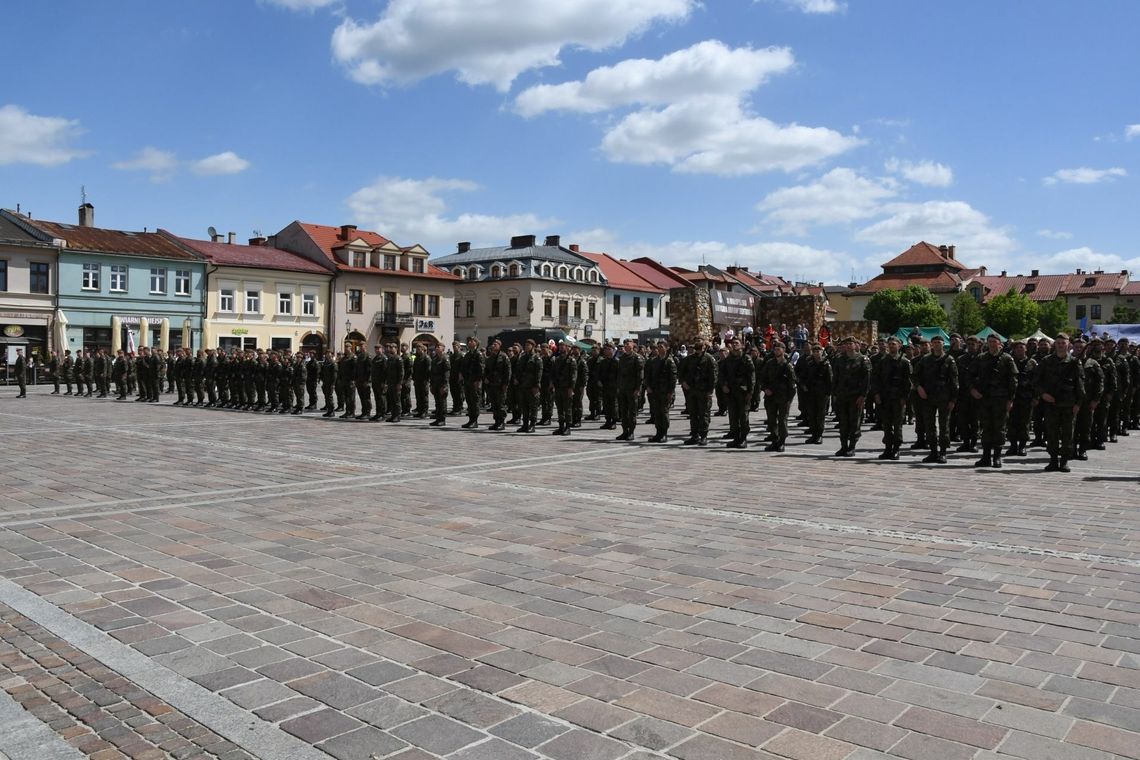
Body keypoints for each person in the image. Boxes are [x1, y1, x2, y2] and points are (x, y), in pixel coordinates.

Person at [1037, 333, 1085, 472]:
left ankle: (1064, 461)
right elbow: (1036, 381)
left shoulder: (1075, 362)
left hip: (1068, 404)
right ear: (1054, 345)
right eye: (1058, 343)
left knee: (1067, 434)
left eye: (1063, 343)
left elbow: (1080, 385)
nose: (1060, 345)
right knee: (1051, 433)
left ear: (1068, 345)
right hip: (1051, 404)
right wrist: (1043, 394)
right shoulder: (1046, 361)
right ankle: (1053, 460)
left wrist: (1078, 404)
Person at [970, 334, 1017, 468]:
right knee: (986, 428)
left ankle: (997, 457)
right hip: (984, 399)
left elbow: (1013, 381)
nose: (991, 344)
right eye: (989, 341)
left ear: (999, 343)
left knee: (999, 428)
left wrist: (1010, 399)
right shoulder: (981, 358)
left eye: (994, 342)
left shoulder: (1007, 359)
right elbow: (969, 375)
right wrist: (973, 390)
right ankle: (985, 457)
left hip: (1000, 400)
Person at [914, 335, 958, 464]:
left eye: (939, 342)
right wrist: (919, 388)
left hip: (944, 397)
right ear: (931, 345)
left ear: (943, 344)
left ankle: (943, 452)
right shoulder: (925, 360)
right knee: (929, 426)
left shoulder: (949, 360)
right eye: (934, 342)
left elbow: (955, 381)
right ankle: (933, 452)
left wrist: (953, 399)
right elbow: (915, 376)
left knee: (944, 426)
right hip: (928, 397)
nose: (937, 344)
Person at [832, 336, 870, 457]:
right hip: (842, 395)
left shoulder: (863, 359)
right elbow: (836, 378)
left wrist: (863, 395)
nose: (848, 346)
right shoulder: (839, 359)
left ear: (856, 345)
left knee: (854, 422)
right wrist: (835, 393)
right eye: (846, 344)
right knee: (843, 422)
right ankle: (843, 446)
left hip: (856, 396)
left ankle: (852, 446)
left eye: (851, 343)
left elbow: (867, 380)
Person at [759, 341, 797, 452]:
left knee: (782, 420)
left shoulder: (788, 366)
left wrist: (789, 400)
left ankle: (782, 442)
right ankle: (774, 440)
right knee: (771, 420)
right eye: (775, 349)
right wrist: (765, 389)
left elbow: (792, 385)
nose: (776, 351)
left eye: (779, 349)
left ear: (783, 350)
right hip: (770, 397)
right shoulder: (770, 363)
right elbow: (762, 378)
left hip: (783, 398)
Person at [682, 339, 717, 446]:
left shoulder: (709, 359)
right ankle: (694, 435)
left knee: (704, 414)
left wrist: (711, 390)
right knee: (693, 414)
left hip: (704, 391)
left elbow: (714, 375)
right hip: (692, 390)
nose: (697, 351)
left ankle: (703, 436)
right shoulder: (690, 359)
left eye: (699, 349)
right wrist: (684, 382)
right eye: (695, 349)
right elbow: (682, 371)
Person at [719, 338, 753, 448]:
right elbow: (722, 374)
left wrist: (750, 392)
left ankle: (743, 439)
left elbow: (752, 377)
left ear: (741, 345)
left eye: (737, 343)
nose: (734, 345)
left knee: (743, 416)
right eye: (733, 343)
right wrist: (723, 385)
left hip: (742, 392)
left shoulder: (746, 359)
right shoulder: (728, 360)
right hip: (731, 391)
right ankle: (736, 438)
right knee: (733, 416)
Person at [798, 343, 833, 445]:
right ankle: (813, 434)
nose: (816, 353)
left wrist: (828, 393)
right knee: (812, 414)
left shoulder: (826, 364)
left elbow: (830, 380)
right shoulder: (809, 363)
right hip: (810, 392)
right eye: (815, 351)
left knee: (820, 415)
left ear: (822, 352)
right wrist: (803, 385)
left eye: (818, 351)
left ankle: (819, 435)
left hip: (822, 393)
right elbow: (802, 376)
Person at [615, 339, 645, 441]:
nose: (626, 346)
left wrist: (637, 389)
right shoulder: (622, 358)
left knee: (631, 411)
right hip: (623, 388)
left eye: (628, 344)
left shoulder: (637, 358)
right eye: (625, 344)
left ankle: (631, 432)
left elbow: (640, 375)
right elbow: (619, 374)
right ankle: (625, 431)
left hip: (632, 389)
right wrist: (618, 386)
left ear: (633, 345)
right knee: (623, 411)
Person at [514, 339, 542, 433]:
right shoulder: (523, 357)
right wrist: (517, 379)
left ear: (533, 346)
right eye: (525, 345)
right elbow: (518, 370)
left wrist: (536, 386)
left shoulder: (536, 358)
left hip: (532, 386)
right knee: (524, 406)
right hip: (523, 385)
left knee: (533, 406)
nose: (526, 346)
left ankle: (532, 425)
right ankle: (525, 424)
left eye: (528, 345)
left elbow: (538, 373)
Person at [550, 342, 578, 435]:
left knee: (567, 408)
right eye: (560, 346)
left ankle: (568, 427)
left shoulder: (571, 360)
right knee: (560, 408)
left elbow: (573, 376)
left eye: (563, 346)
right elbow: (553, 373)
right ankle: (561, 427)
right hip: (558, 387)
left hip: (567, 388)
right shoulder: (557, 360)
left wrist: (571, 388)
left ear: (567, 348)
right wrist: (552, 384)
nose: (561, 348)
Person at [485, 339, 511, 431]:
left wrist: (505, 384)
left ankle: (501, 422)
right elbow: (486, 370)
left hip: (500, 385)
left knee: (500, 404)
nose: (494, 345)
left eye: (496, 344)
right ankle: (496, 422)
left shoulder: (504, 357)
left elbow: (508, 372)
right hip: (492, 385)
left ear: (500, 346)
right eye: (493, 344)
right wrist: (486, 378)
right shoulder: (491, 357)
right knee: (494, 404)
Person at [460, 337, 485, 428]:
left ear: (476, 343)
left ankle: (475, 420)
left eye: (472, 341)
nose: (469, 342)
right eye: (469, 341)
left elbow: (481, 369)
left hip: (475, 381)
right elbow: (463, 367)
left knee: (475, 401)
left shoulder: (479, 354)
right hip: (468, 381)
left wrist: (478, 381)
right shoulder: (467, 354)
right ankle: (470, 419)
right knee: (469, 401)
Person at [429, 342, 451, 426]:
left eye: (439, 346)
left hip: (442, 384)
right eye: (436, 346)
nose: (437, 348)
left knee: (442, 402)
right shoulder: (434, 359)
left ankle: (442, 419)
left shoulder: (445, 358)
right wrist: (431, 384)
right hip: (435, 383)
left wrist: (445, 386)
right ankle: (438, 418)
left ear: (443, 348)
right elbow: (432, 373)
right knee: (437, 402)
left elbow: (446, 373)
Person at [385, 343, 404, 422]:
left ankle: (397, 416)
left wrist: (399, 383)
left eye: (392, 347)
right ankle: (393, 415)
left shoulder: (398, 359)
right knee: (392, 400)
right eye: (390, 347)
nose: (390, 349)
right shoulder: (390, 359)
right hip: (390, 382)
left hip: (396, 383)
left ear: (396, 349)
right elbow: (387, 372)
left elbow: (401, 372)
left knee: (397, 400)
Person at [412, 341, 431, 418]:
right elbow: (414, 369)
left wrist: (427, 380)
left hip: (424, 380)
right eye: (417, 348)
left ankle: (424, 411)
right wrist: (414, 378)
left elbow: (428, 370)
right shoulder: (417, 358)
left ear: (422, 349)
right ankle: (419, 411)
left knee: (424, 396)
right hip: (417, 380)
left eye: (419, 348)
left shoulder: (426, 358)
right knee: (418, 396)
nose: (418, 350)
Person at [320, 350, 338, 417]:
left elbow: (334, 375)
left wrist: (333, 384)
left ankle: (331, 411)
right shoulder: (326, 362)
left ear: (331, 354)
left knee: (329, 397)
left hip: (330, 383)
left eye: (329, 353)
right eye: (326, 353)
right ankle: (328, 410)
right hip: (325, 382)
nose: (327, 355)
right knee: (326, 396)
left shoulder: (333, 363)